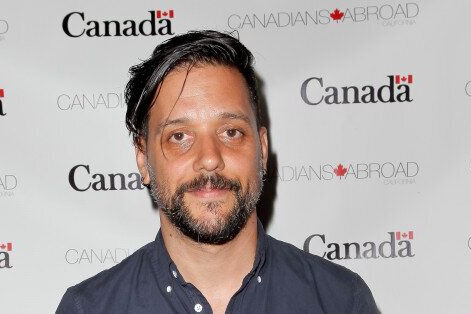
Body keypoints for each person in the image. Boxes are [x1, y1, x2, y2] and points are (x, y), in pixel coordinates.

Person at [56, 30, 379, 314]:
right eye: (179, 136)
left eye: (231, 132)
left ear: (262, 149)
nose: (209, 159)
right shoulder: (90, 308)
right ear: (143, 161)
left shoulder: (339, 300)